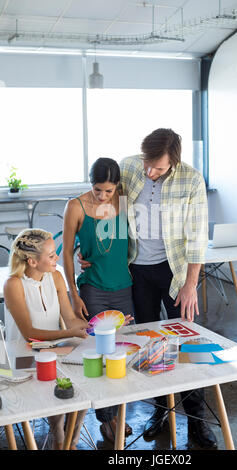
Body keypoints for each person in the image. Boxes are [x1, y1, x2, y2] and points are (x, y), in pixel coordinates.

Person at [79, 128, 218, 449]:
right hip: (136, 271)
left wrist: (191, 284)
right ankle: (161, 413)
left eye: (157, 167)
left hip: (174, 273)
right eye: (147, 163)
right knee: (150, 345)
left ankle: (197, 420)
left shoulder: (191, 180)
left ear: (173, 162)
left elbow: (197, 236)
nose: (148, 171)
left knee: (188, 343)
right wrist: (83, 250)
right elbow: (100, 204)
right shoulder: (128, 167)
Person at [62, 157, 134, 444]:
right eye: (97, 189)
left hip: (124, 287)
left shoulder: (124, 202)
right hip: (93, 288)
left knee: (122, 351)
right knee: (99, 352)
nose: (103, 196)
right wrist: (73, 293)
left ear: (117, 186)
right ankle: (108, 419)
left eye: (109, 190)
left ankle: (118, 412)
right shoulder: (76, 207)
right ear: (89, 182)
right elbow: (66, 252)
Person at [4, 229, 89, 450]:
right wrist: (70, 334)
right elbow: (30, 335)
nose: (57, 258)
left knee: (88, 378)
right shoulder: (13, 284)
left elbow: (70, 320)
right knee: (57, 385)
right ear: (32, 261)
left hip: (52, 350)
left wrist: (105, 324)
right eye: (51, 255)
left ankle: (70, 439)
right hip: (23, 358)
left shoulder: (56, 276)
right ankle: (59, 438)